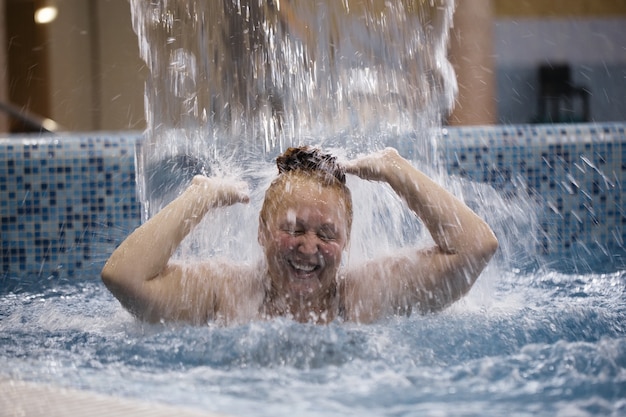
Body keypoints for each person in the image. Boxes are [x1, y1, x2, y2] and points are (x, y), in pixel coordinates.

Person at [101, 147, 498, 324]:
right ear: (261, 231)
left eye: (327, 234)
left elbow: (476, 247)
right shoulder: (224, 292)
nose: (309, 248)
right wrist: (199, 198)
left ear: (347, 239)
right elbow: (123, 276)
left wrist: (397, 170)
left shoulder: (364, 296)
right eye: (292, 229)